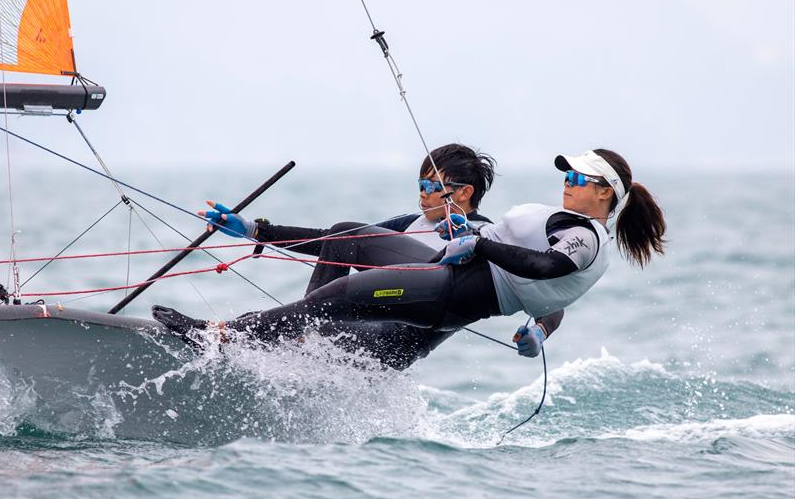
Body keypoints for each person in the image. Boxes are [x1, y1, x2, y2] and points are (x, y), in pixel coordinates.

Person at [160, 148, 661, 365]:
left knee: (340, 297)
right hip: (416, 295)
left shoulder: (549, 234)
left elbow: (548, 281)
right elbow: (331, 240)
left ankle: (226, 336)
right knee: (343, 235)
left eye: (432, 186)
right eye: (567, 177)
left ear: (462, 193)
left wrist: (539, 329)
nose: (567, 184)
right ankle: (292, 338)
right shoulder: (422, 227)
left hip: (402, 335)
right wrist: (254, 230)